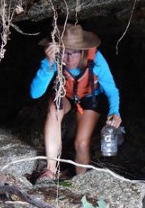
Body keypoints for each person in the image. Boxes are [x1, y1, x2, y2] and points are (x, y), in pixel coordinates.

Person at [30, 23, 122, 182]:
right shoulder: (54, 59)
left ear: (83, 51)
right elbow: (35, 93)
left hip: (89, 98)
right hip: (66, 95)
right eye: (64, 53)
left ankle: (81, 182)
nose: (68, 58)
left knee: (81, 143)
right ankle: (51, 170)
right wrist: (48, 64)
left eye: (73, 53)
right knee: (53, 109)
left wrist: (115, 111)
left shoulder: (97, 60)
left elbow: (112, 90)